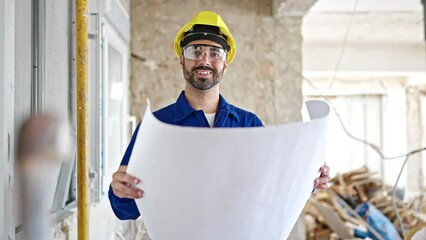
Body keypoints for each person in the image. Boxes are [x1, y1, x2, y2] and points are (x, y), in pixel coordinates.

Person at [109, 11, 330, 220]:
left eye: (215, 53)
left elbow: (272, 187)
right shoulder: (155, 126)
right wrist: (119, 190)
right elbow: (126, 210)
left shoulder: (249, 125)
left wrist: (309, 179)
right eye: (195, 51)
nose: (204, 60)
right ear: (181, 59)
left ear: (225, 64)